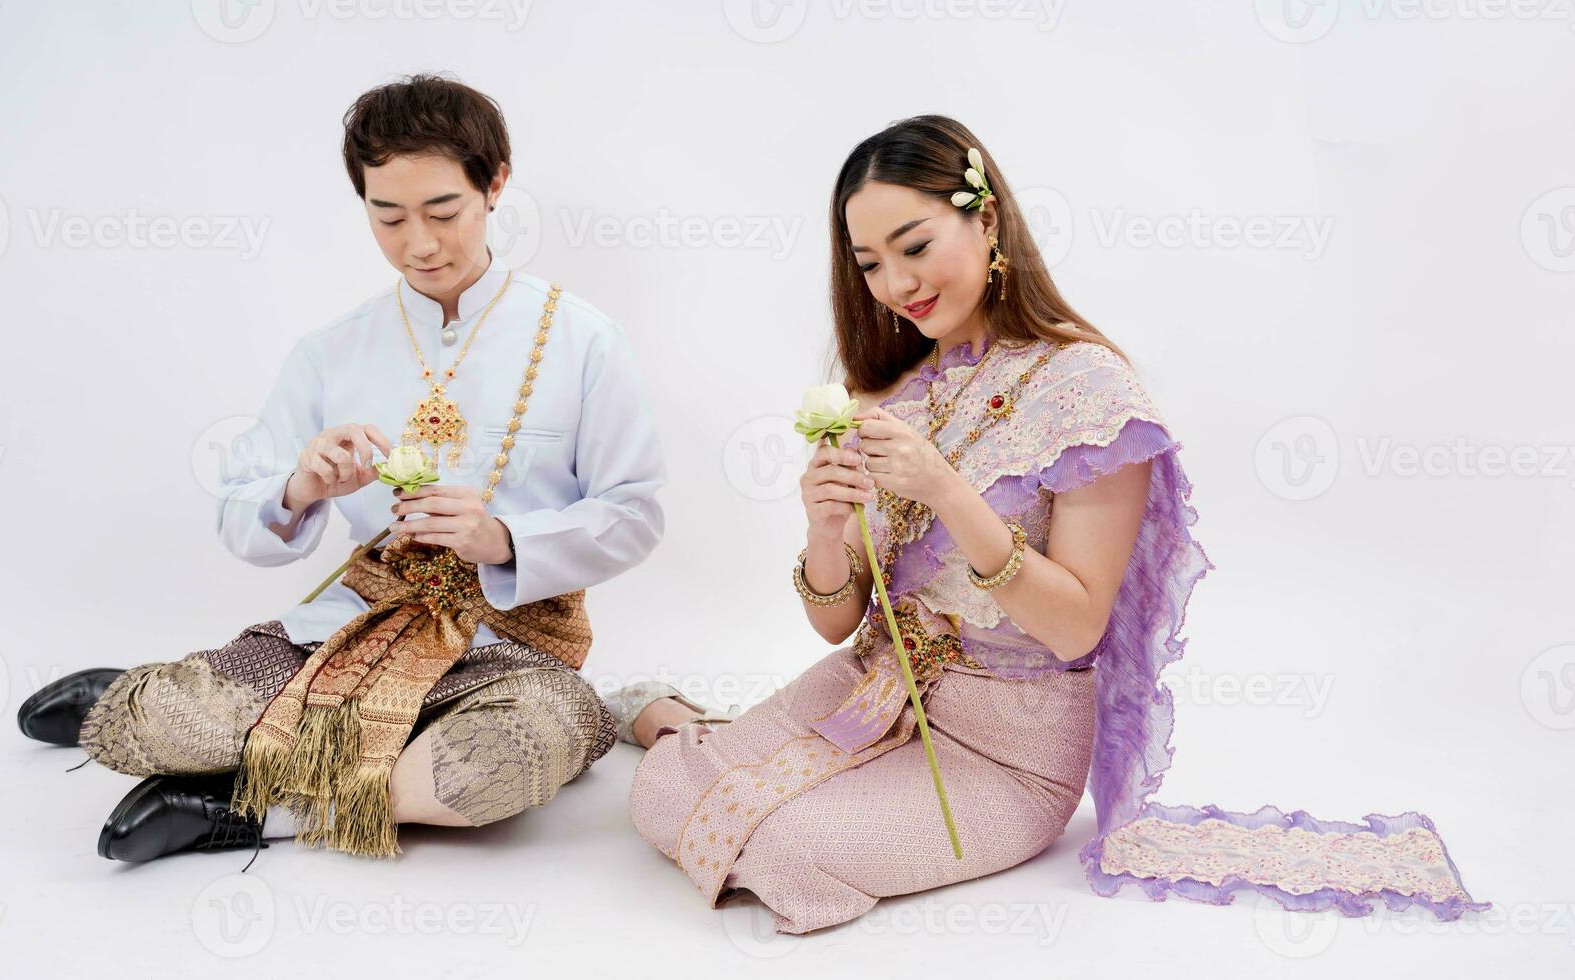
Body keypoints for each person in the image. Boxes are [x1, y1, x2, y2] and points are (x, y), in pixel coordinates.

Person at [617, 115, 1489, 934]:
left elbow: (1077, 622)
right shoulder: (890, 387)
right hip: (870, 688)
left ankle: (694, 729)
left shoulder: (1089, 394)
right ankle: (693, 729)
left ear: (987, 220)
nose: (897, 285)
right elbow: (841, 622)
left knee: (784, 850)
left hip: (1004, 757)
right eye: (871, 263)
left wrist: (948, 491)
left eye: (915, 247)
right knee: (656, 800)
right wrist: (823, 527)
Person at [16, 74, 665, 863]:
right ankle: (164, 701)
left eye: (442, 211)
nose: (417, 243)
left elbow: (635, 512)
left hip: (514, 650)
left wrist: (503, 539)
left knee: (493, 771)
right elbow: (238, 510)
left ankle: (249, 808)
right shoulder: (334, 350)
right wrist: (300, 487)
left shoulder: (581, 339)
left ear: (494, 184)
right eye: (386, 216)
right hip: (356, 628)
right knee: (159, 724)